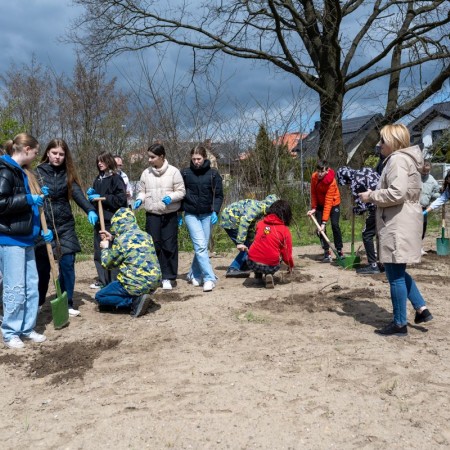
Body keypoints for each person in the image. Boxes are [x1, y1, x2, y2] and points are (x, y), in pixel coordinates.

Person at [359, 124, 433, 336]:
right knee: (397, 270)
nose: (379, 145)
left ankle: (399, 324)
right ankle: (421, 309)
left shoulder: (397, 160)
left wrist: (371, 195)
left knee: (395, 275)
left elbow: (397, 193)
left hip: (397, 222)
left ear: (392, 142)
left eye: (382, 140)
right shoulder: (408, 159)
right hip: (403, 220)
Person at [0, 133, 53, 349]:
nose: (36, 155)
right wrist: (28, 198)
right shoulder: (5, 170)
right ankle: (10, 331)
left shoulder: (21, 172)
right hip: (11, 238)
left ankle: (27, 327)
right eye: (35, 151)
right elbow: (1, 203)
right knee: (15, 287)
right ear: (26, 149)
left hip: (27, 237)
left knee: (31, 285)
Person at [35, 139, 99, 317]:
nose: (57, 157)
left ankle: (67, 301)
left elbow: (78, 194)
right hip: (44, 226)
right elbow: (29, 196)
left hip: (65, 226)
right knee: (43, 268)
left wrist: (90, 210)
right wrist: (38, 193)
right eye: (54, 153)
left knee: (68, 264)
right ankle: (39, 301)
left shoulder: (67, 174)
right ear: (48, 153)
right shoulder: (37, 173)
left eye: (61, 154)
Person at [134, 143, 185, 290]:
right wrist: (140, 199)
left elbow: (181, 191)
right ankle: (154, 276)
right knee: (153, 245)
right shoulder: (146, 173)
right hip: (153, 214)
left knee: (169, 246)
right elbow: (142, 191)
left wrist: (171, 197)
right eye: (148, 157)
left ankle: (168, 277)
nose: (149, 160)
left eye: (152, 157)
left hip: (169, 215)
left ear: (161, 156)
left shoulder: (174, 172)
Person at [95, 207, 161, 317]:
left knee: (100, 297)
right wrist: (112, 238)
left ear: (117, 224)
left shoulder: (121, 241)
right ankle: (142, 297)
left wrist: (106, 248)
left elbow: (107, 264)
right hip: (154, 281)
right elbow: (129, 244)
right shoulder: (146, 236)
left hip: (133, 284)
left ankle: (134, 301)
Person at [181, 145, 224, 292]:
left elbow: (218, 195)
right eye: (193, 159)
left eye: (199, 159)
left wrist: (215, 211)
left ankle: (194, 273)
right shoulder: (185, 173)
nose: (196, 162)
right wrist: (178, 213)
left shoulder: (213, 174)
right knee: (200, 246)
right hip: (191, 214)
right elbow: (180, 194)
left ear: (204, 158)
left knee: (202, 247)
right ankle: (209, 278)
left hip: (207, 214)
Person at [87, 152, 127, 289]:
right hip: (99, 222)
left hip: (111, 221)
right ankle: (103, 281)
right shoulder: (98, 179)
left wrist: (103, 197)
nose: (99, 163)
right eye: (98, 161)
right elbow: (94, 202)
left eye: (102, 161)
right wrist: (91, 204)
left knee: (111, 251)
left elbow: (121, 200)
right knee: (99, 252)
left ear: (109, 161)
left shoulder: (116, 179)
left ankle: (114, 282)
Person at [220, 194, 278, 277]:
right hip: (230, 220)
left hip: (235, 220)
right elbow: (244, 222)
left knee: (250, 244)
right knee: (246, 246)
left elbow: (251, 224)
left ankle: (243, 266)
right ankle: (233, 268)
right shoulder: (257, 208)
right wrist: (240, 242)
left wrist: (252, 239)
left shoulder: (261, 209)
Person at [336, 166, 381, 274]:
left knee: (367, 234)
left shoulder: (355, 181)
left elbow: (362, 207)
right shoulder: (366, 170)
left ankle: (373, 265)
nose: (347, 185)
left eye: (345, 183)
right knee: (381, 234)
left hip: (375, 208)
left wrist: (355, 209)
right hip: (385, 205)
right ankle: (383, 263)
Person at [247, 200, 294, 289]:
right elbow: (286, 254)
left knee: (258, 249)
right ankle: (269, 274)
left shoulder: (260, 224)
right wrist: (290, 265)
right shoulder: (284, 230)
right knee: (276, 255)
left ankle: (258, 277)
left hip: (252, 262)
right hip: (270, 266)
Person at [307, 160, 344, 262]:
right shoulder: (314, 177)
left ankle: (339, 250)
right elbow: (313, 193)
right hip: (319, 204)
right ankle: (327, 252)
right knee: (320, 230)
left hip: (333, 203)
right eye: (318, 171)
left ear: (327, 170)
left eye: (321, 171)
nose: (319, 173)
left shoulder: (331, 182)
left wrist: (324, 222)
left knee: (335, 225)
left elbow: (328, 202)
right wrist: (314, 208)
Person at [420, 161, 440, 251]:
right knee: (412, 227)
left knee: (423, 227)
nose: (425, 173)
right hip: (412, 207)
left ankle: (419, 246)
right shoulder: (415, 177)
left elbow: (436, 193)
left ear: (430, 169)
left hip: (424, 208)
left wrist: (434, 196)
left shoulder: (432, 181)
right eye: (423, 171)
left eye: (427, 171)